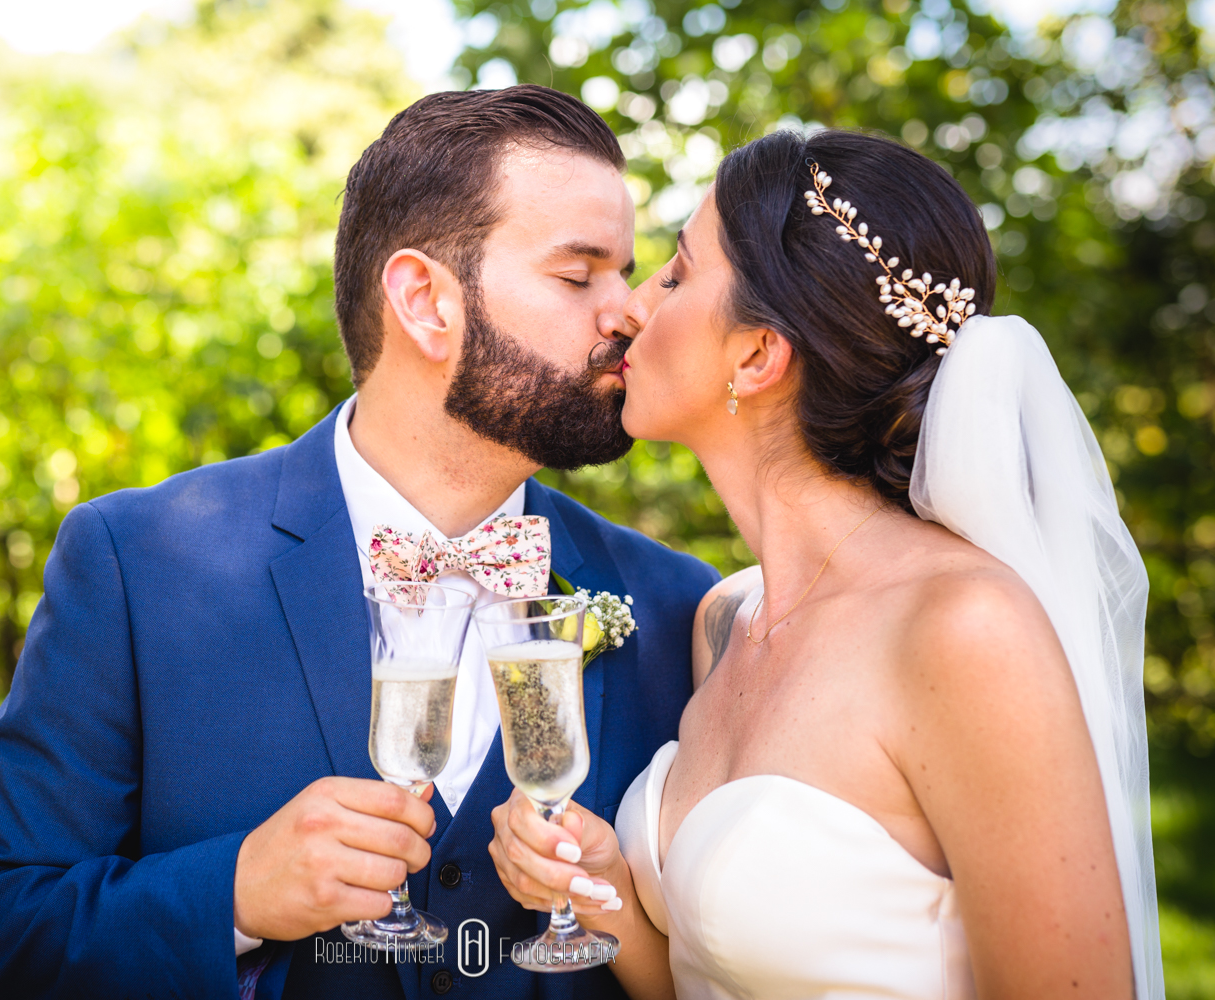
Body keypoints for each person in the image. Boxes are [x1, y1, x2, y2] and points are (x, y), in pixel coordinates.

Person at [0, 84, 718, 1000]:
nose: (630, 312)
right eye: (579, 277)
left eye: (627, 273)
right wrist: (234, 894)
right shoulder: (139, 562)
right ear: (424, 300)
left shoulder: (674, 607)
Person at [488, 128, 1162, 1000]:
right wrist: (605, 885)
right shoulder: (724, 623)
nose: (632, 309)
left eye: (676, 275)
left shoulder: (964, 630)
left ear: (758, 355)